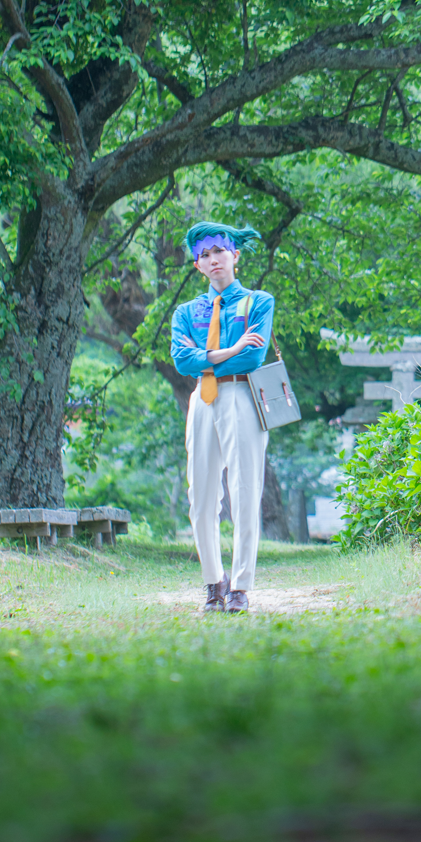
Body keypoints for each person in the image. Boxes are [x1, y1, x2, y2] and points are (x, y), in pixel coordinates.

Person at [170, 223, 275, 612]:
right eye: (205, 255)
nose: (214, 260)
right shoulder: (186, 312)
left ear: (236, 255)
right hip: (203, 398)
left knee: (245, 489)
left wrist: (212, 355)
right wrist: (229, 349)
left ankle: (241, 587)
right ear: (198, 265)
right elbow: (182, 360)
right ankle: (214, 583)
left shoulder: (258, 302)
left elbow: (253, 358)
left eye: (220, 251)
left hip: (242, 395)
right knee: (201, 495)